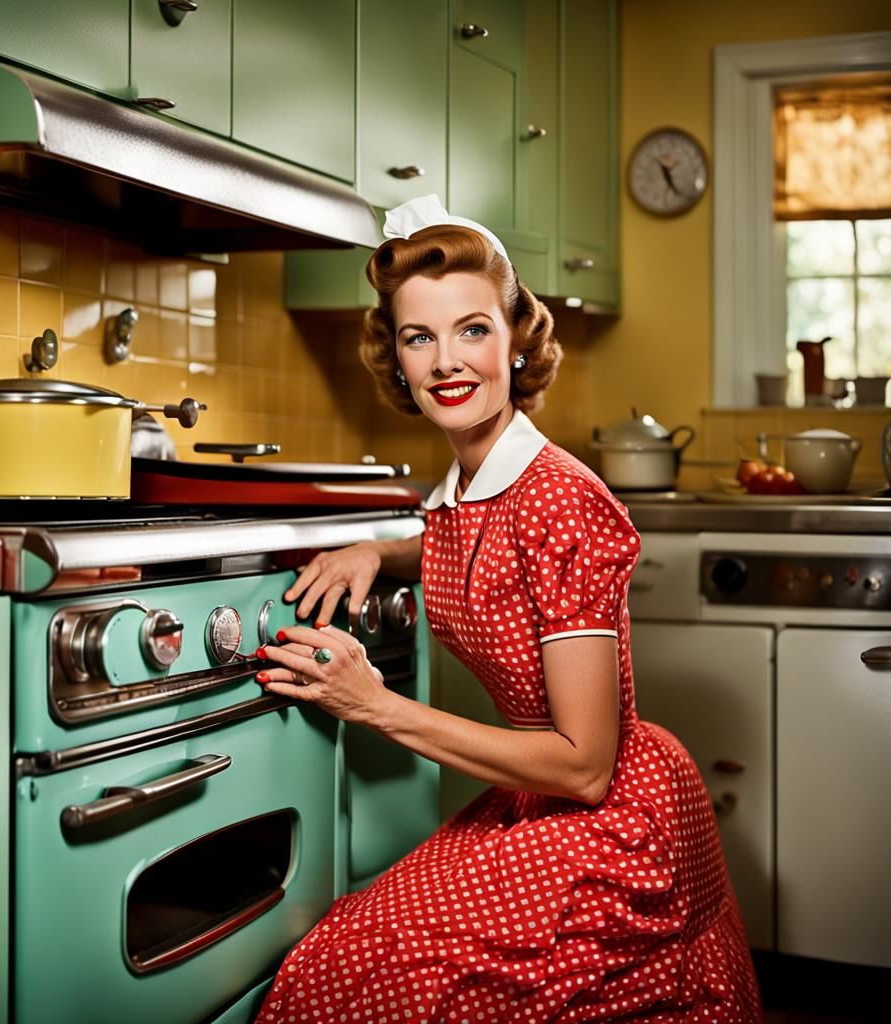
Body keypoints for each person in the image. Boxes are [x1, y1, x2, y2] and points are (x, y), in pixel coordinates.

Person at [252, 195, 762, 1023]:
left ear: (518, 338)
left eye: (473, 330)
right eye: (421, 337)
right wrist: (379, 552)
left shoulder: (560, 500)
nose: (447, 361)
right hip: (533, 798)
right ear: (398, 358)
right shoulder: (465, 490)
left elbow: (584, 766)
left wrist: (376, 706)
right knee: (340, 964)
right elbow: (483, 558)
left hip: (609, 816)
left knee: (345, 978)